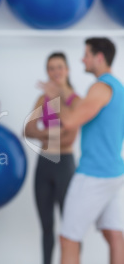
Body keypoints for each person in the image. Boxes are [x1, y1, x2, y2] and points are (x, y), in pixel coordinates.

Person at [53, 38, 124, 264]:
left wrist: (54, 99)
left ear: (99, 57)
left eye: (86, 54)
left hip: (93, 174)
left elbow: (72, 121)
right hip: (113, 173)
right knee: (114, 234)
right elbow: (88, 109)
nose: (83, 59)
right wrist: (67, 94)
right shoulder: (118, 88)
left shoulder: (100, 87)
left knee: (68, 239)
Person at [25, 53, 80, 264]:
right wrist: (54, 133)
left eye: (59, 67)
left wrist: (44, 133)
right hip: (44, 165)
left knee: (70, 227)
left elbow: (70, 138)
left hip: (64, 165)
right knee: (46, 227)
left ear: (67, 70)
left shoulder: (75, 99)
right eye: (51, 68)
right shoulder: (43, 98)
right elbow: (28, 129)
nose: (55, 72)